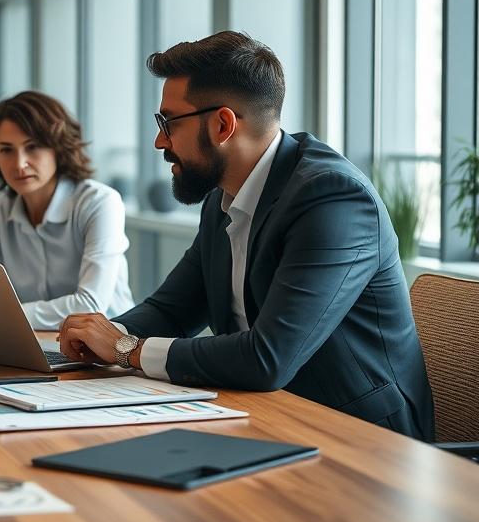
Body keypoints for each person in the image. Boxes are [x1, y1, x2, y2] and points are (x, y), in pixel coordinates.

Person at [59, 31, 434, 439]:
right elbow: (172, 312)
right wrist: (87, 341)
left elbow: (268, 357)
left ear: (223, 124)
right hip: (262, 412)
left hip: (359, 437)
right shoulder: (223, 196)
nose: (159, 141)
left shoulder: (332, 198)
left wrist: (126, 350)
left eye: (168, 123)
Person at [0, 90, 133, 330]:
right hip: (39, 344)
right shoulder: (4, 207)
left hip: (109, 353)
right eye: (6, 150)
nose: (20, 164)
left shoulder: (99, 202)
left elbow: (90, 306)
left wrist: (2, 315)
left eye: (33, 147)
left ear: (58, 147)